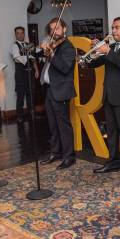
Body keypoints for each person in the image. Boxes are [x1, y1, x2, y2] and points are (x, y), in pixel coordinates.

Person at [85, 17, 120, 183]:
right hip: (109, 97)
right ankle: (113, 163)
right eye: (112, 27)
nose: (113, 31)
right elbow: (90, 65)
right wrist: (94, 51)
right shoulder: (110, 48)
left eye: (117, 27)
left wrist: (107, 51)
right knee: (111, 134)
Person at [39, 18, 77, 170]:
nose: (54, 32)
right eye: (51, 29)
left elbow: (64, 68)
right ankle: (56, 152)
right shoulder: (52, 45)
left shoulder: (68, 47)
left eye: (57, 28)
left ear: (65, 29)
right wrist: (44, 51)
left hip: (61, 90)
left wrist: (52, 54)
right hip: (50, 89)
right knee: (52, 124)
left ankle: (69, 157)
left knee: (63, 125)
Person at [10, 26, 38, 122]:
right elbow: (17, 58)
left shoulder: (28, 44)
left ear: (24, 34)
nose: (20, 35)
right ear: (15, 35)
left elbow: (33, 58)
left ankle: (32, 114)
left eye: (22, 33)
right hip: (20, 75)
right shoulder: (14, 46)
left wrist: (36, 70)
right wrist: (28, 56)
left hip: (30, 73)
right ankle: (20, 116)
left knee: (31, 95)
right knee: (20, 96)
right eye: (18, 33)